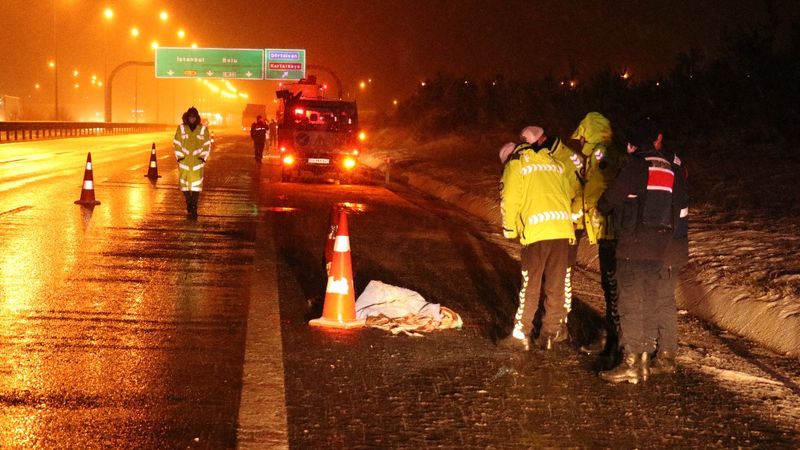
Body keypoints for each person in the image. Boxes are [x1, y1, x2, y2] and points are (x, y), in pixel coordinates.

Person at [595, 116, 687, 384]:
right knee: (648, 303)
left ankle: (632, 362)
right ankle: (645, 361)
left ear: (632, 143)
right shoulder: (669, 168)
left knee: (630, 305)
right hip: (659, 247)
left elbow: (607, 201)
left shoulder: (635, 167)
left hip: (633, 246)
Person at [497, 126, 579, 351]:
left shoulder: (516, 164)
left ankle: (521, 335)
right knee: (556, 285)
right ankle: (551, 334)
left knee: (530, 285)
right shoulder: (554, 162)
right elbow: (570, 191)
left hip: (536, 233)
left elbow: (510, 199)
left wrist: (510, 230)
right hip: (562, 231)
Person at [569, 112, 625, 360]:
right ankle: (614, 337)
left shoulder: (601, 152)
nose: (580, 142)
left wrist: (572, 212)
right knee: (611, 287)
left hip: (611, 229)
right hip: (609, 228)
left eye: (582, 136)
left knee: (613, 288)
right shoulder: (602, 152)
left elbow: (594, 188)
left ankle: (616, 341)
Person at [173, 106, 211, 219]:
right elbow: (176, 144)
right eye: (190, 117)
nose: (192, 119)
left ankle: (194, 208)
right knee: (184, 187)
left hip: (197, 163)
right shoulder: (181, 129)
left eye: (194, 117)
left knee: (196, 188)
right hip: (184, 163)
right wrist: (179, 158)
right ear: (187, 117)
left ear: (197, 117)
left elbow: (207, 145)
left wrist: (203, 158)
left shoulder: (203, 129)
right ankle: (188, 202)